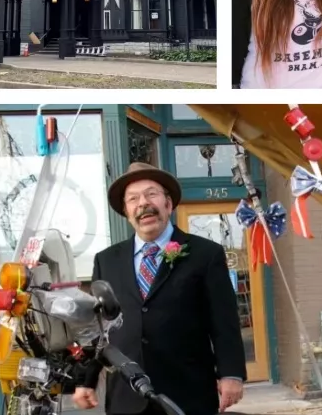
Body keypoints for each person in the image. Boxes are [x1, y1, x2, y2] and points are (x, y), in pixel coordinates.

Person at [74, 163, 246, 415]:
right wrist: (86, 379)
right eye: (133, 199)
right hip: (126, 394)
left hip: (187, 392)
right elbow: (98, 327)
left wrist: (231, 373)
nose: (143, 203)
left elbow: (224, 320)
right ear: (126, 211)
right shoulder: (106, 260)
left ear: (168, 203)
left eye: (151, 194)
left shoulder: (205, 254)